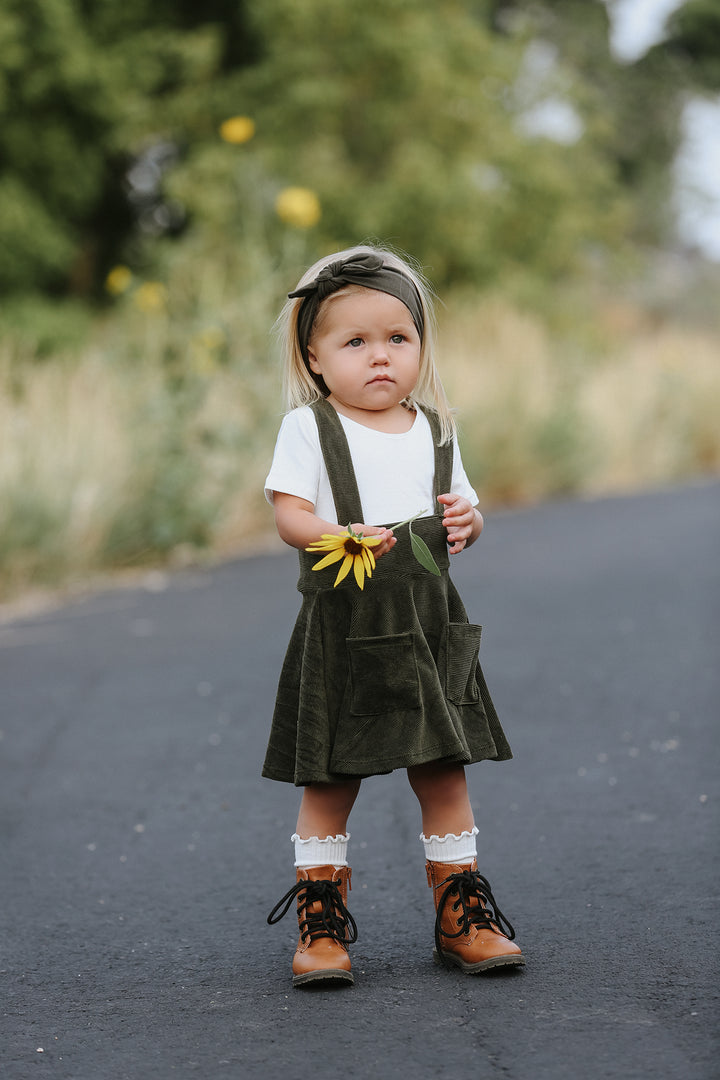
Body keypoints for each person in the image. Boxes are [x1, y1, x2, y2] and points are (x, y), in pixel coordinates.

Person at [263, 244, 523, 987]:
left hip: (430, 621)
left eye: (398, 339)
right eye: (355, 342)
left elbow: (463, 511)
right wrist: (332, 535)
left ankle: (459, 912)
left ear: (420, 347)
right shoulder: (310, 430)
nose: (381, 358)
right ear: (315, 357)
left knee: (443, 768)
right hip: (346, 625)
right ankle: (321, 921)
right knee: (330, 777)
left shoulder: (436, 429)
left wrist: (469, 523)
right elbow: (289, 513)